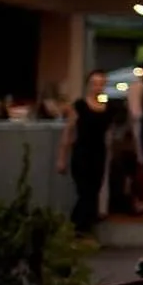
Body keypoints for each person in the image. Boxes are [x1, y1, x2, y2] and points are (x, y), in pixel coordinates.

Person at [57, 70, 113, 235]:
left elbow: (108, 133)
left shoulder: (108, 108)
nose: (97, 87)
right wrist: (62, 158)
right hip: (82, 153)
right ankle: (76, 226)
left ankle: (85, 229)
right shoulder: (80, 106)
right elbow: (68, 131)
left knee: (94, 191)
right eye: (94, 83)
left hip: (99, 153)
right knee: (84, 191)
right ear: (88, 85)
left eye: (101, 83)